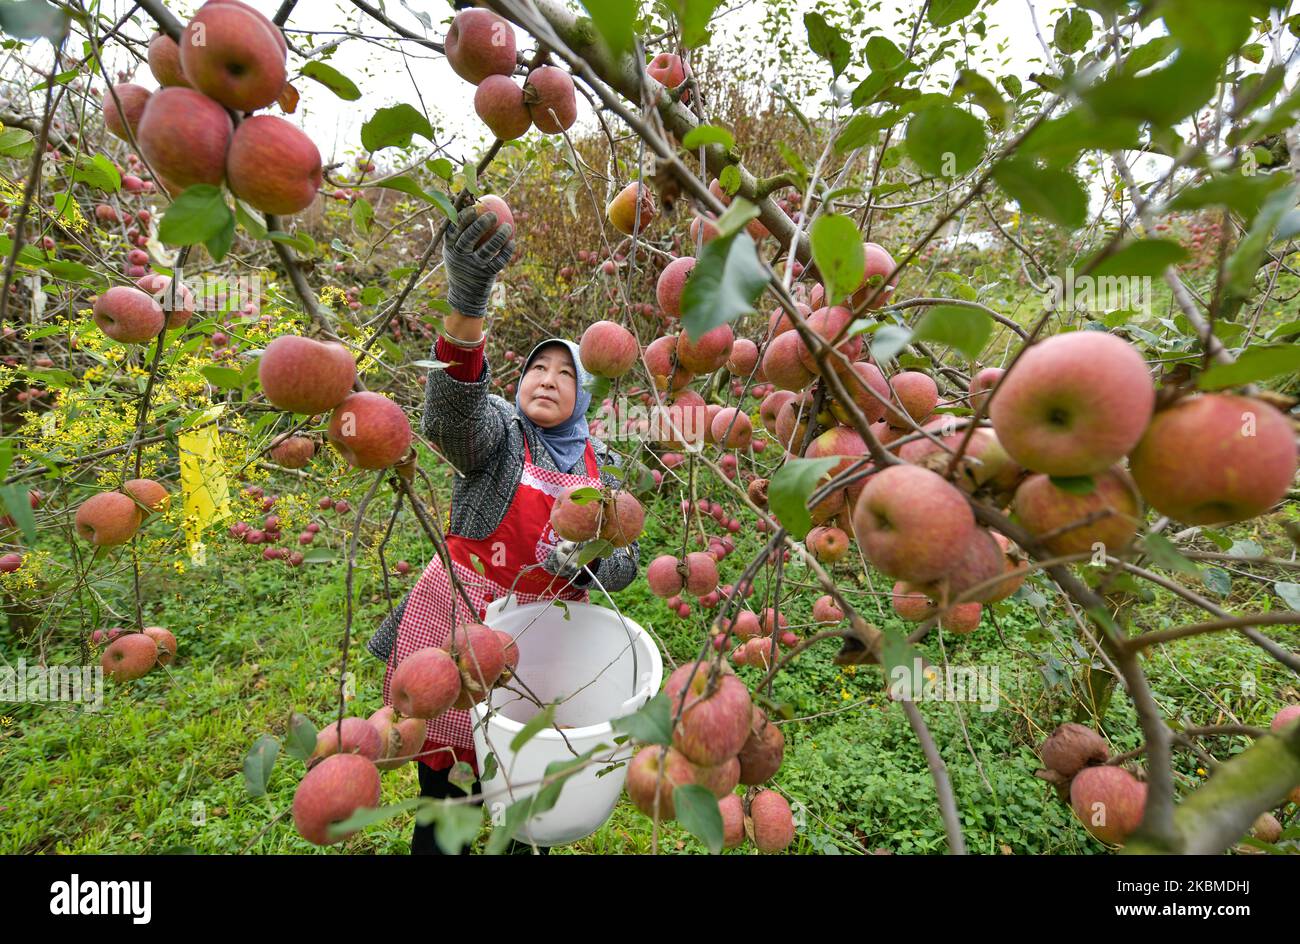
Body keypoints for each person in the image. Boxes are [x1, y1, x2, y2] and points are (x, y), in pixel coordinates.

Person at [367, 205, 641, 854]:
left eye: (565, 372)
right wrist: (469, 299)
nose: (547, 379)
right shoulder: (499, 433)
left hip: (542, 649)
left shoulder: (602, 471)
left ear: (587, 397)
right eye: (537, 370)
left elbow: (629, 563)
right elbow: (449, 417)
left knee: (527, 790)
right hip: (462, 622)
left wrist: (591, 559)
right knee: (450, 795)